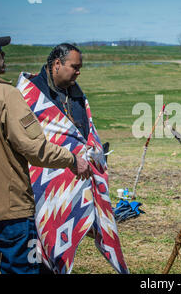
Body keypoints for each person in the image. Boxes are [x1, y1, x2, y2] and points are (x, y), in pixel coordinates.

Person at [0, 29, 92, 274]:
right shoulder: (6, 94)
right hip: (12, 213)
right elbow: (34, 148)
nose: (3, 54)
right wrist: (72, 159)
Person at [15, 43, 128, 274]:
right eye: (74, 67)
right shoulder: (29, 94)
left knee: (59, 235)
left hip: (77, 177)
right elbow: (30, 140)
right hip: (42, 182)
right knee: (42, 237)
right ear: (57, 64)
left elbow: (85, 130)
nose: (78, 72)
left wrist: (93, 152)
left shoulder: (75, 92)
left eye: (80, 67)